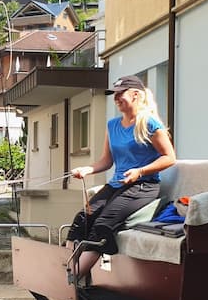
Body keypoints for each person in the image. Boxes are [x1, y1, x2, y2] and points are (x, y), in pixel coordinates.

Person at [66, 75, 176, 285]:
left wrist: (140, 171)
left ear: (135, 95)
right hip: (117, 184)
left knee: (102, 225)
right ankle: (65, 269)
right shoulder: (112, 125)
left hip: (144, 186)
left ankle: (71, 279)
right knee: (81, 218)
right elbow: (106, 161)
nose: (116, 98)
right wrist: (87, 169)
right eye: (114, 95)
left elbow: (169, 157)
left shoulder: (149, 123)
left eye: (120, 94)